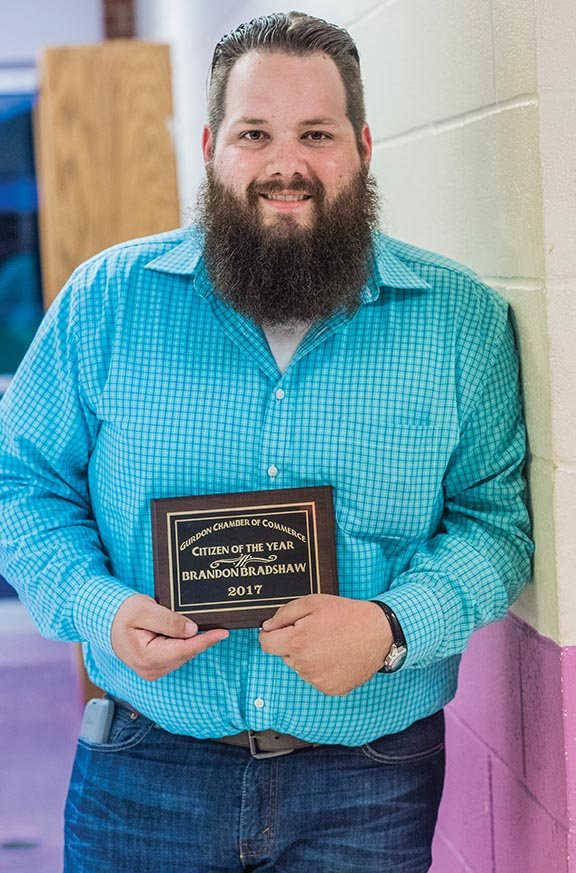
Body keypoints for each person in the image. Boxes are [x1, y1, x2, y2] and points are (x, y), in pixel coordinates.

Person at [0, 11, 533, 873]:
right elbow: (19, 485)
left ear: (362, 144)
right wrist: (102, 608)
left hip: (370, 778)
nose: (288, 165)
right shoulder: (106, 303)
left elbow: (494, 523)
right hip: (147, 763)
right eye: (256, 133)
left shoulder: (457, 323)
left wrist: (392, 627)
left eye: (316, 133)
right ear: (212, 145)